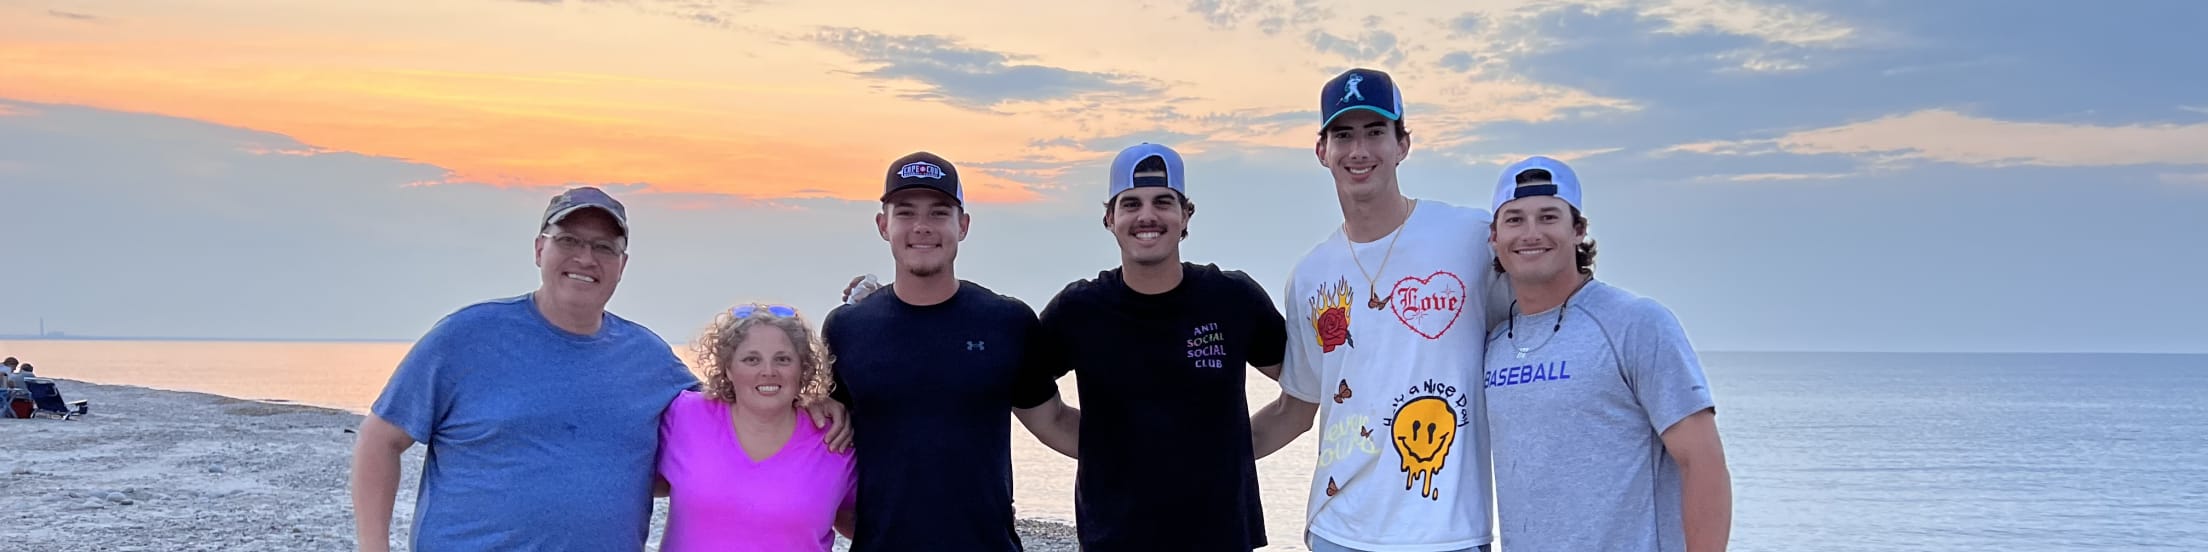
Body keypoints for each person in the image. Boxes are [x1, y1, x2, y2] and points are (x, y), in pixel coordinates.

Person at [349, 186, 850, 552]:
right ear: (539, 249)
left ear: (622, 263)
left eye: (603, 247)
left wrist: (810, 402)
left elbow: (735, 411)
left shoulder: (649, 359)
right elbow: (380, 440)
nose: (585, 258)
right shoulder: (466, 337)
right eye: (569, 240)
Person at [1252, 67, 1511, 552]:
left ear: (1403, 144)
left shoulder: (1471, 238)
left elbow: (1542, 321)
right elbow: (1297, 407)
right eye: (1343, 135)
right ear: (1321, 150)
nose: (1359, 151)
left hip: (1448, 533)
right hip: (1338, 530)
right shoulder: (1310, 275)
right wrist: (1200, 459)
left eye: (1376, 132)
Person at [1018, 143, 1288, 550]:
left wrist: (1229, 448)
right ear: (1110, 219)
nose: (1147, 216)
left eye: (1163, 202)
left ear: (1186, 217)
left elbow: (1304, 390)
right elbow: (1036, 405)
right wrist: (1111, 451)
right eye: (1131, 204)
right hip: (1116, 537)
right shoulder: (1079, 310)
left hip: (1222, 536)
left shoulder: (1232, 299)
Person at [822, 151, 1079, 551]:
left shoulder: (1006, 322)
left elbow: (1056, 422)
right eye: (905, 213)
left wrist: (1165, 448)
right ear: (882, 225)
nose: (922, 227)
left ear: (963, 225)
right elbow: (821, 442)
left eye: (939, 213)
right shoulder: (846, 328)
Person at [1482, 156, 1733, 552]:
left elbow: (1703, 463)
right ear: (1494, 238)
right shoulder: (1494, 343)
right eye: (1514, 220)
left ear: (1578, 230)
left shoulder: (1635, 323)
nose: (1531, 233)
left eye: (1549, 217)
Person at [656, 302, 856, 552]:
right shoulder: (684, 416)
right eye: (752, 359)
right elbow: (633, 478)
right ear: (728, 368)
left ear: (803, 369)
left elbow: (862, 524)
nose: (768, 371)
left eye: (782, 359)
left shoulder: (835, 440)